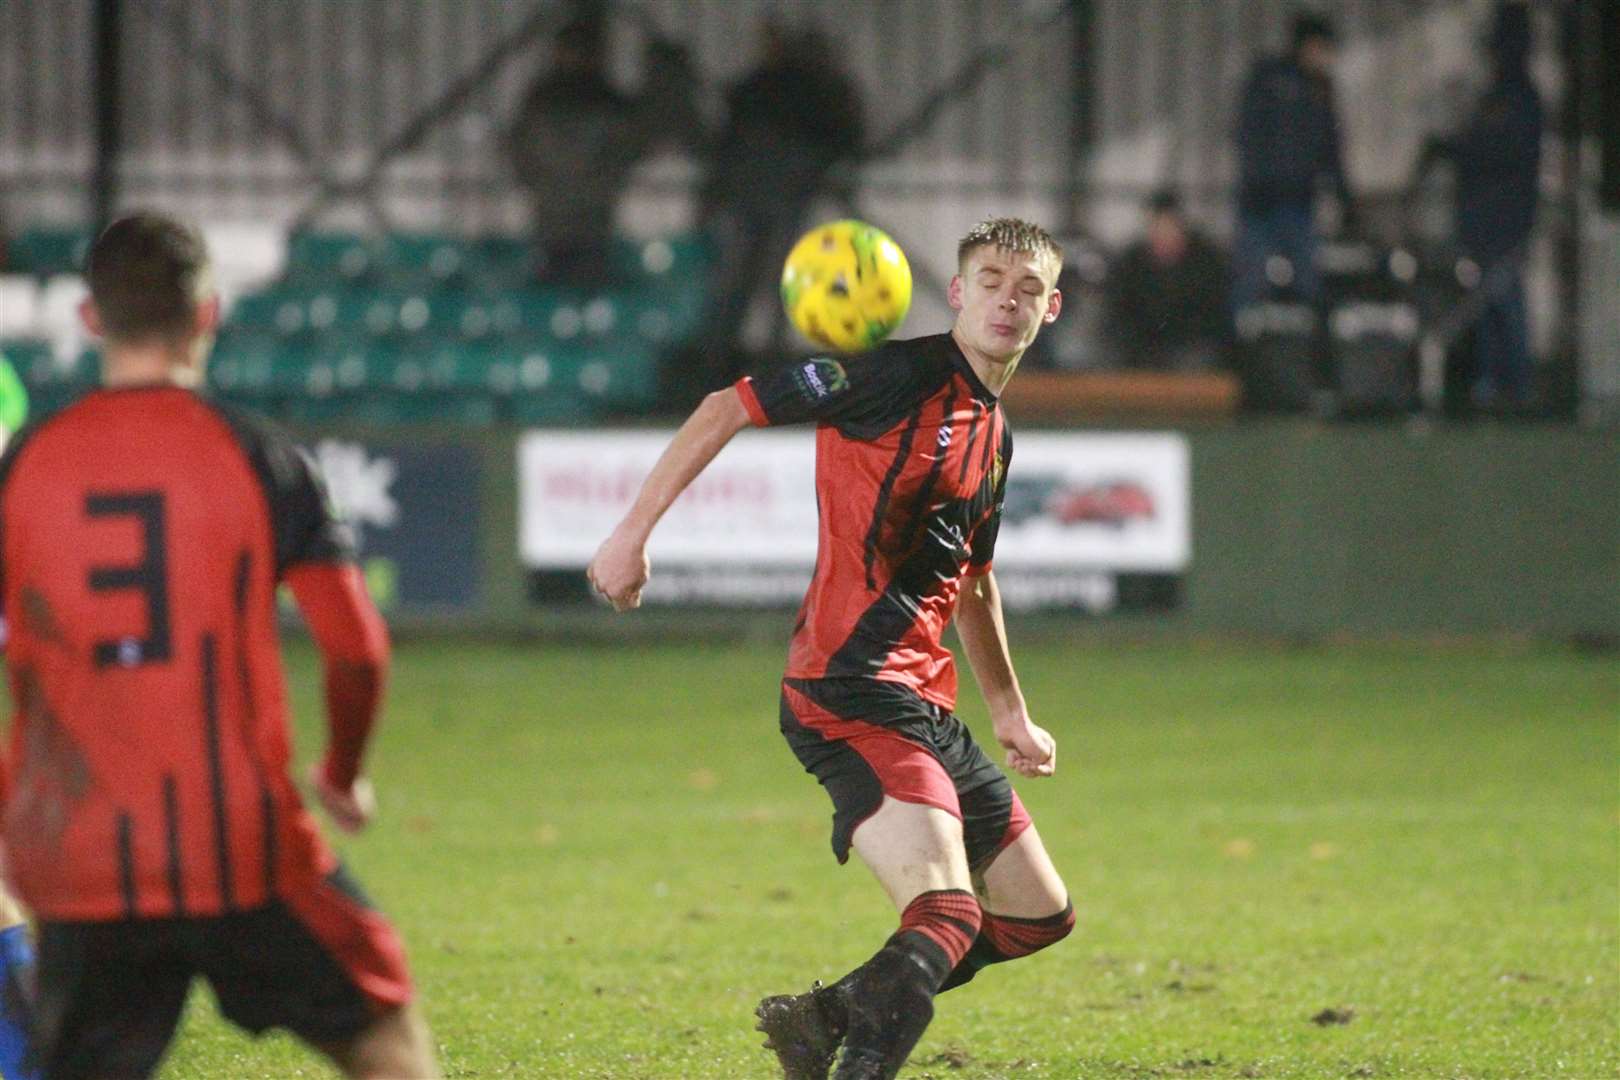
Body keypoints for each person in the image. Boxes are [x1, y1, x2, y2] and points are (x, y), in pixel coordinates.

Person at [589, 218, 1074, 1080]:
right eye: (992, 279)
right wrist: (631, 535)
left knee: (1037, 914)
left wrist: (1011, 712)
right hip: (849, 688)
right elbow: (726, 404)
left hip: (926, 702)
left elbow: (974, 580)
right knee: (948, 912)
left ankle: (827, 1015)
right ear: (957, 292)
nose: (1010, 298)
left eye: (1029, 287)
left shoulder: (995, 435)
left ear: (1052, 307)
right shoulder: (892, 376)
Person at [0, 213, 437, 1079]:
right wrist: (342, 773)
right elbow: (355, 648)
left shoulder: (27, 466)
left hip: (87, 856)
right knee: (388, 1044)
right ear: (208, 314)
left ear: (90, 319)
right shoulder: (262, 458)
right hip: (243, 847)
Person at [692, 18, 866, 391]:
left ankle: (730, 364)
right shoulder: (804, 91)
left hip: (771, 195)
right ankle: (736, 363)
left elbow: (727, 143)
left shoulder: (780, 89)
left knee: (756, 281)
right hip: (768, 195)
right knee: (754, 281)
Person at [1420, 2, 1543, 408]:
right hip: (1486, 219)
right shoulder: (1502, 96)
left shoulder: (1518, 99)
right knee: (1487, 306)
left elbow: (1500, 155)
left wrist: (1454, 148)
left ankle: (1516, 385)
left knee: (1503, 302)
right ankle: (1492, 384)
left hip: (1503, 220)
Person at [1231, 11, 1354, 312]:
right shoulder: (1270, 81)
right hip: (1262, 201)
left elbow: (1330, 148)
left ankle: (1304, 350)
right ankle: (1243, 348)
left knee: (1308, 284)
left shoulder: (1320, 89)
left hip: (1297, 202)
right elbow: (1249, 135)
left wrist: (1344, 196)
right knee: (1252, 281)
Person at [1107, 190, 1231, 371]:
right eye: (1157, 226)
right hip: (1142, 350)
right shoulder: (1131, 264)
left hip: (1191, 348)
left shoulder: (1205, 262)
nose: (1163, 234)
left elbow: (1212, 315)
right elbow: (1120, 315)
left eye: (1169, 226)